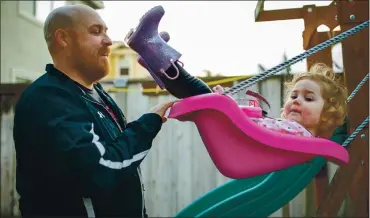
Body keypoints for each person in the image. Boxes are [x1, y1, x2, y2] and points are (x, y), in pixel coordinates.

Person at [13, 4, 177, 218]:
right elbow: (102, 171)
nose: (109, 41)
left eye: (106, 32)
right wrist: (146, 126)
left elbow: (118, 161)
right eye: (96, 31)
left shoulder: (95, 92)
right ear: (63, 38)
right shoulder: (48, 99)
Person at [126, 6, 348, 139]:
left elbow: (253, 128)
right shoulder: (291, 130)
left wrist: (227, 105)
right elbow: (257, 124)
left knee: (200, 92)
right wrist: (228, 103)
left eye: (308, 98)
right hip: (234, 135)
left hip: (234, 138)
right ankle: (154, 57)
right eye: (294, 96)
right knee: (199, 93)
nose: (297, 100)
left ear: (327, 115)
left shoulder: (301, 137)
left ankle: (152, 50)